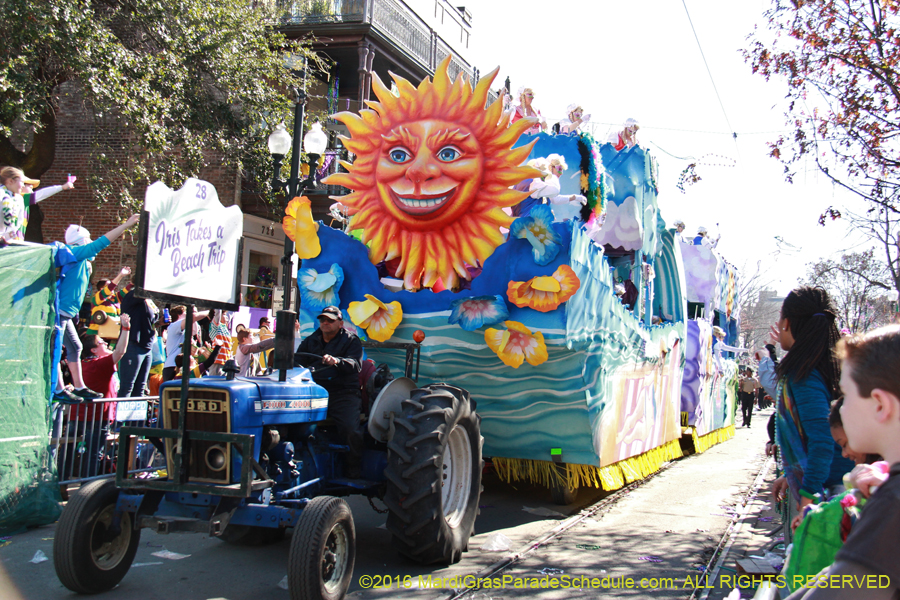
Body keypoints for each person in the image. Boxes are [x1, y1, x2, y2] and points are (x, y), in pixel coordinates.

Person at [782, 325, 900, 599]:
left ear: (880, 405)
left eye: (845, 396)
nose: (840, 409)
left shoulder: (892, 502)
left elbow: (843, 588)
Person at [757, 287, 856, 542]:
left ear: (786, 322)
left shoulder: (804, 375)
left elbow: (822, 440)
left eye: (781, 319)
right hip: (830, 482)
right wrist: (790, 475)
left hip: (828, 490)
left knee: (811, 576)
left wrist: (808, 496)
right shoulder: (816, 366)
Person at [52, 215, 140, 402]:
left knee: (75, 346)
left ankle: (79, 386)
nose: (90, 243)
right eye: (87, 240)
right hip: (59, 313)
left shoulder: (83, 263)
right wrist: (126, 224)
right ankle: (59, 389)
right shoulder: (75, 253)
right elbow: (101, 243)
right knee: (57, 350)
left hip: (67, 314)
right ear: (80, 242)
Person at [294, 306, 363, 477]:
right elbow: (296, 361)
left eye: (330, 320)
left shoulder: (351, 340)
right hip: (315, 392)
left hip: (343, 392)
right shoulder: (311, 340)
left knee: (350, 429)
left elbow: (356, 364)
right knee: (294, 424)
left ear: (340, 323)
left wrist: (337, 362)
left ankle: (354, 467)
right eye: (323, 319)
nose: (325, 322)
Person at [67, 314, 131, 478]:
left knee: (69, 449)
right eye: (103, 343)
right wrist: (125, 328)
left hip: (76, 415)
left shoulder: (80, 364)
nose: (107, 344)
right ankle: (87, 487)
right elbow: (120, 351)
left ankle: (62, 482)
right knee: (94, 453)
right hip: (97, 417)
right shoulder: (101, 364)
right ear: (94, 350)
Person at [1, 167, 76, 243]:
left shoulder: (18, 199)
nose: (31, 187)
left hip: (13, 240)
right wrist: (62, 187)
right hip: (9, 240)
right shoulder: (21, 198)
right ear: (11, 182)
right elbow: (41, 194)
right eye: (27, 184)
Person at [117, 285, 159, 398]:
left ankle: (136, 416)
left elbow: (149, 321)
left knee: (140, 388)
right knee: (127, 387)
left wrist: (161, 322)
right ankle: (120, 415)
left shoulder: (148, 301)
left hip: (147, 346)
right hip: (134, 345)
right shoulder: (133, 295)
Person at [85, 266, 131, 337]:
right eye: (107, 285)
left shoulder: (114, 299)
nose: (112, 288)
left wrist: (132, 283)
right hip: (96, 335)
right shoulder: (97, 298)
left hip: (112, 334)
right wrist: (120, 276)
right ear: (101, 289)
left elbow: (124, 292)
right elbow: (109, 288)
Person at [162, 305, 205, 382]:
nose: (188, 313)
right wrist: (211, 312)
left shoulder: (185, 329)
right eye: (186, 312)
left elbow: (194, 327)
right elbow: (193, 317)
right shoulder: (174, 326)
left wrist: (194, 313)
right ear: (179, 315)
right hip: (172, 367)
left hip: (182, 366)